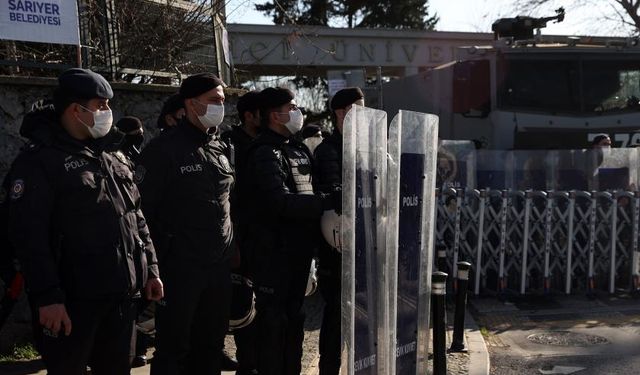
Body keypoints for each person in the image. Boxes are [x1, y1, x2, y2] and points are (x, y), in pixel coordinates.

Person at [5, 68, 163, 375]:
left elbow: (135, 217)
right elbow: (29, 237)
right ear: (76, 110)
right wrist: (48, 298)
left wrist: (151, 269)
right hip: (72, 302)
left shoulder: (112, 154)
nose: (107, 113)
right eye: (100, 105)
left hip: (121, 296)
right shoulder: (39, 161)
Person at [137, 73, 235, 375]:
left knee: (210, 346)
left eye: (223, 100)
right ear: (192, 104)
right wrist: (154, 266)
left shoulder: (220, 147)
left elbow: (228, 203)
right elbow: (143, 213)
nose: (221, 106)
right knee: (173, 349)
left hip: (217, 267)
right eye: (214, 101)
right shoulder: (162, 150)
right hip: (180, 269)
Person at [245, 87, 340, 375]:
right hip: (274, 255)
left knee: (295, 323)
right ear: (275, 115)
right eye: (292, 107)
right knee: (274, 325)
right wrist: (327, 201)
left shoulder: (297, 148)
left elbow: (311, 189)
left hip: (299, 253)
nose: (297, 112)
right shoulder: (263, 153)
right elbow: (279, 202)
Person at [313, 87, 364, 375]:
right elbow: (335, 191)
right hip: (337, 248)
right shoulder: (328, 150)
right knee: (336, 317)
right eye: (358, 108)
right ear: (341, 113)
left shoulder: (366, 148)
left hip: (366, 245)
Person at [221, 90, 262, 375]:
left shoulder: (272, 144)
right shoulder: (230, 146)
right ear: (249, 115)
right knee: (239, 307)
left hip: (264, 241)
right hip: (238, 240)